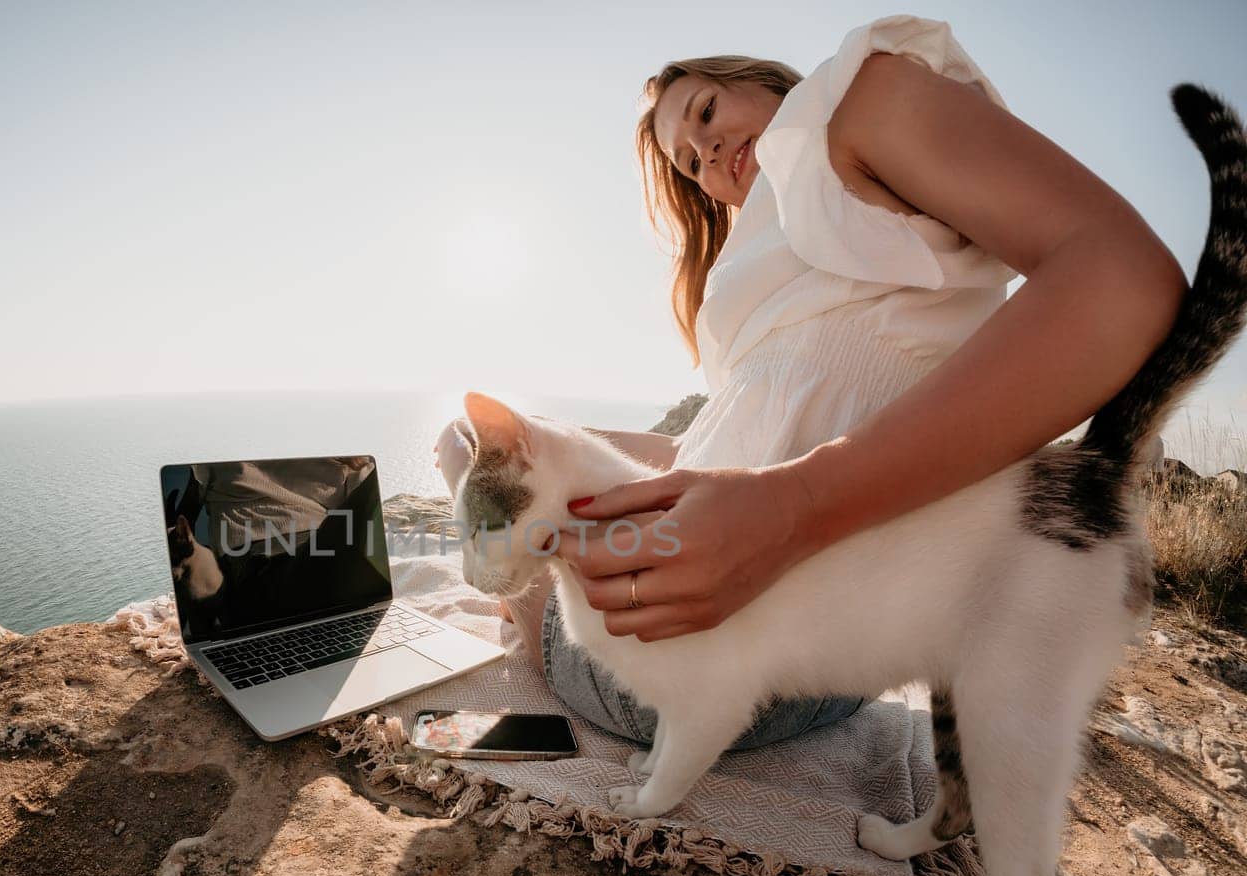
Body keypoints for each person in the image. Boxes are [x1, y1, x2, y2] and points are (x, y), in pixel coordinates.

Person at [434, 13, 1186, 750]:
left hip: (706, 669)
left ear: (760, 84)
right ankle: (518, 592)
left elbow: (1123, 282)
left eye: (705, 111)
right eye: (691, 162)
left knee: (473, 488)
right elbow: (723, 455)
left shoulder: (854, 106)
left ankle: (520, 614)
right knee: (467, 448)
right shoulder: (774, 257)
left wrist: (798, 505)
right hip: (771, 656)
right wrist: (563, 444)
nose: (706, 147)